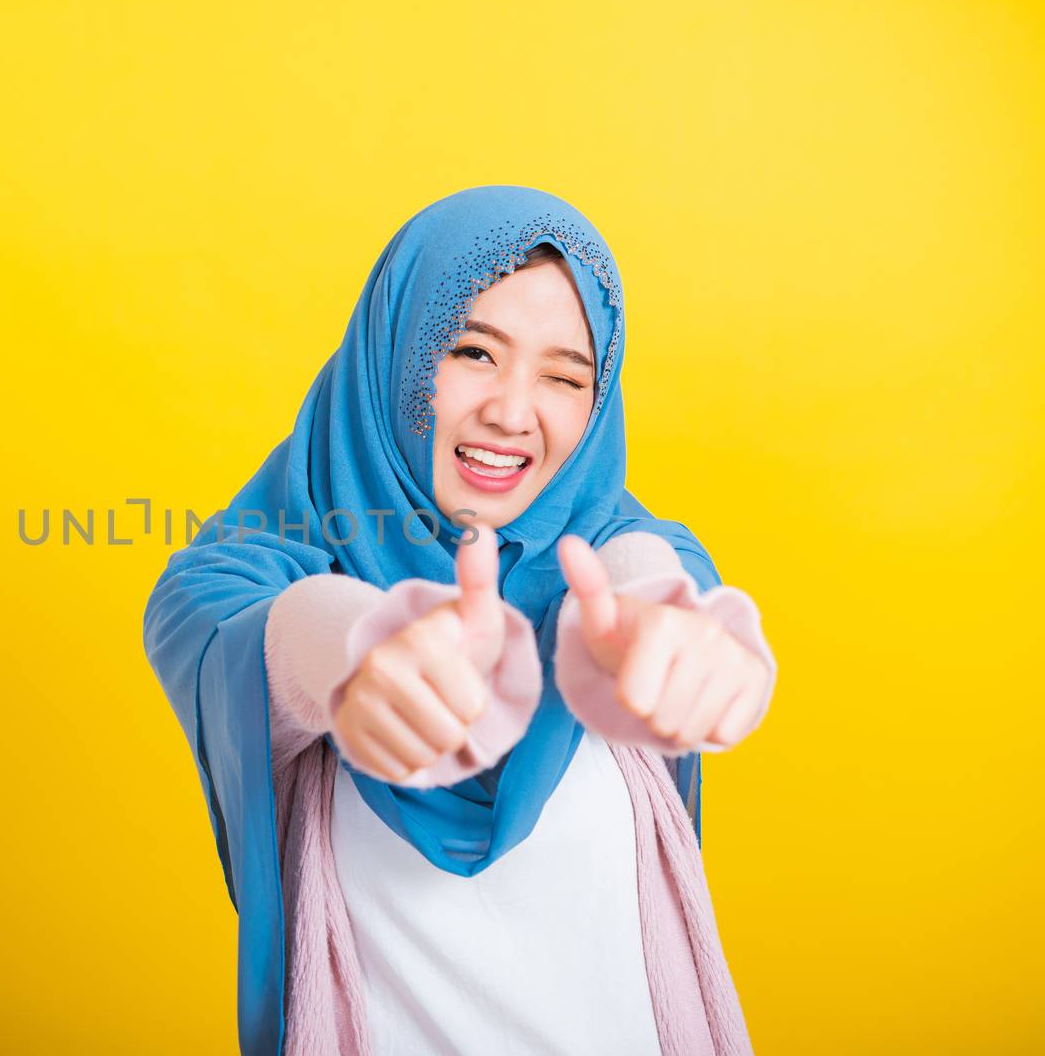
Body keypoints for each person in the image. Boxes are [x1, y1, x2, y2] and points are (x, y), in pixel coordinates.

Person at [142, 185, 777, 1056]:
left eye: (565, 376)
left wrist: (672, 625)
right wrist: (362, 651)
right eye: (475, 352)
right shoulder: (243, 569)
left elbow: (648, 578)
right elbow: (251, 627)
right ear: (393, 352)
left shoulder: (618, 556)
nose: (514, 413)